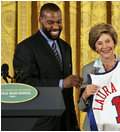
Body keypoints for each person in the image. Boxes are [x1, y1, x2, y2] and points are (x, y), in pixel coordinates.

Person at [13, 3, 83, 131]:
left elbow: (68, 93)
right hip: (40, 124)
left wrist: (73, 125)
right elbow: (24, 85)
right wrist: (61, 83)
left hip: (65, 124)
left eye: (59, 22)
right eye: (50, 22)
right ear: (40, 20)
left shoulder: (66, 48)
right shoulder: (26, 47)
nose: (56, 27)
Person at [78, 23, 120, 130]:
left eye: (108, 41)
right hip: (96, 127)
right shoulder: (88, 70)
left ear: (114, 42)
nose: (104, 46)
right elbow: (82, 107)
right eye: (99, 43)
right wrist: (85, 95)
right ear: (95, 47)